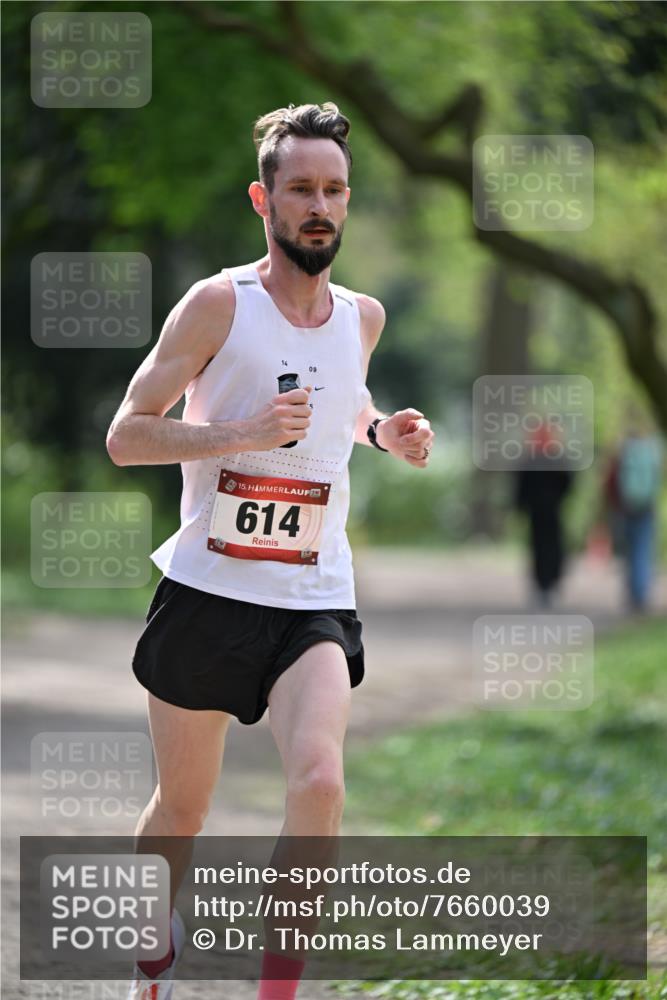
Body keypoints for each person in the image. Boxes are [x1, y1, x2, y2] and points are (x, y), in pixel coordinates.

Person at [105, 102, 435, 1000]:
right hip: (208, 591)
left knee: (321, 783)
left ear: (347, 199)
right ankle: (152, 962)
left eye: (333, 190)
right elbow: (127, 437)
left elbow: (342, 405)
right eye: (300, 189)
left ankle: (277, 991)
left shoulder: (361, 317)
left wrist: (383, 432)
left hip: (312, 594)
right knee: (182, 808)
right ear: (265, 199)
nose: (318, 205)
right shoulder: (218, 305)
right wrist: (240, 433)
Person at [514, 422, 574, 608]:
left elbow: (520, 485)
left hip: (537, 512)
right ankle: (549, 584)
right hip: (552, 510)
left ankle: (544, 585)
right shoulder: (557, 457)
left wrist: (521, 505)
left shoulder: (530, 458)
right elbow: (568, 483)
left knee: (540, 547)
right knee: (551, 546)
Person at [604, 427, 662, 612]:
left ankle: (634, 592)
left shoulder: (623, 453)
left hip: (626, 508)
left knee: (630, 550)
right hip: (646, 507)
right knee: (643, 549)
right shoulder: (651, 451)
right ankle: (641, 593)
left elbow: (611, 482)